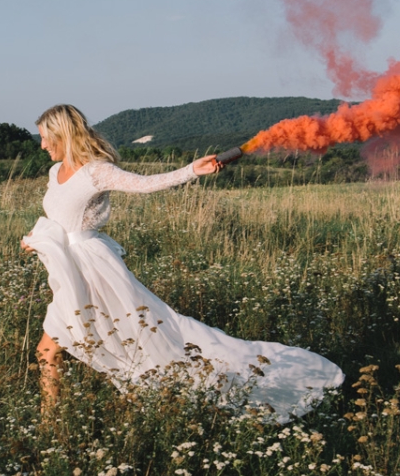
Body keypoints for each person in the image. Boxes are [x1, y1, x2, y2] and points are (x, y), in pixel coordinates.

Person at [21, 104, 344, 422]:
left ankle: (56, 423)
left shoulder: (96, 171)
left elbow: (146, 184)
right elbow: (59, 219)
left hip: (93, 271)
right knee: (58, 347)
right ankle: (55, 423)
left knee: (83, 344)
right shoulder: (54, 172)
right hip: (68, 268)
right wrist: (36, 238)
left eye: (46, 137)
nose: (43, 145)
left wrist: (191, 170)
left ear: (63, 134)